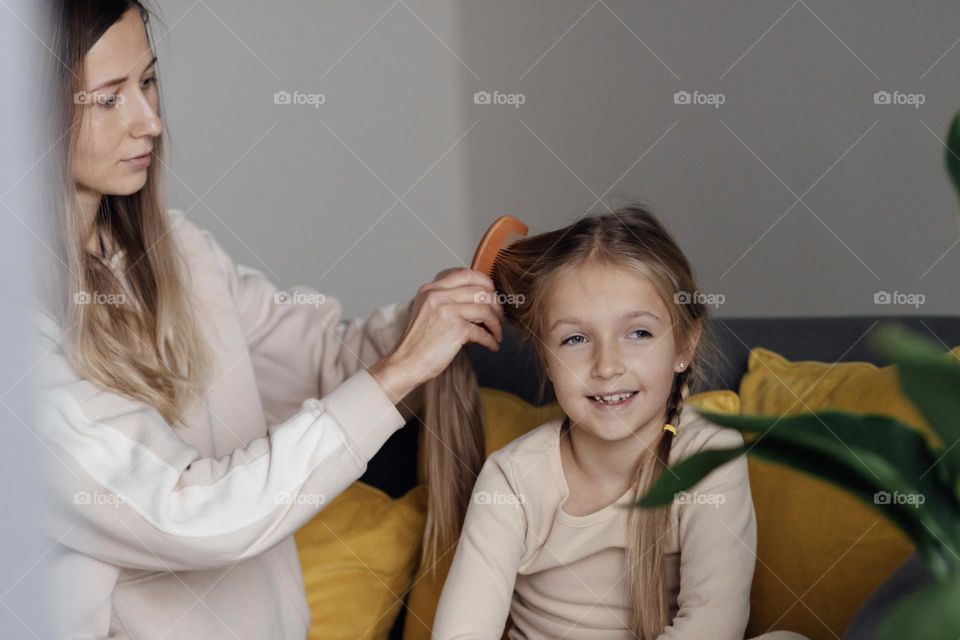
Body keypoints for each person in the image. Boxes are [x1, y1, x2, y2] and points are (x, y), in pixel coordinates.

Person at [33, 2, 502, 637]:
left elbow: (325, 364)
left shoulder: (180, 250)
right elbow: (195, 513)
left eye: (146, 81)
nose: (152, 121)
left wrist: (424, 324)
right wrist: (397, 373)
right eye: (109, 99)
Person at [428, 207, 808, 640]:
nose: (607, 366)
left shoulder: (707, 456)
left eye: (638, 333)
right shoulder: (513, 478)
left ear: (685, 343)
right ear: (546, 359)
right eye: (575, 339)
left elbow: (711, 626)